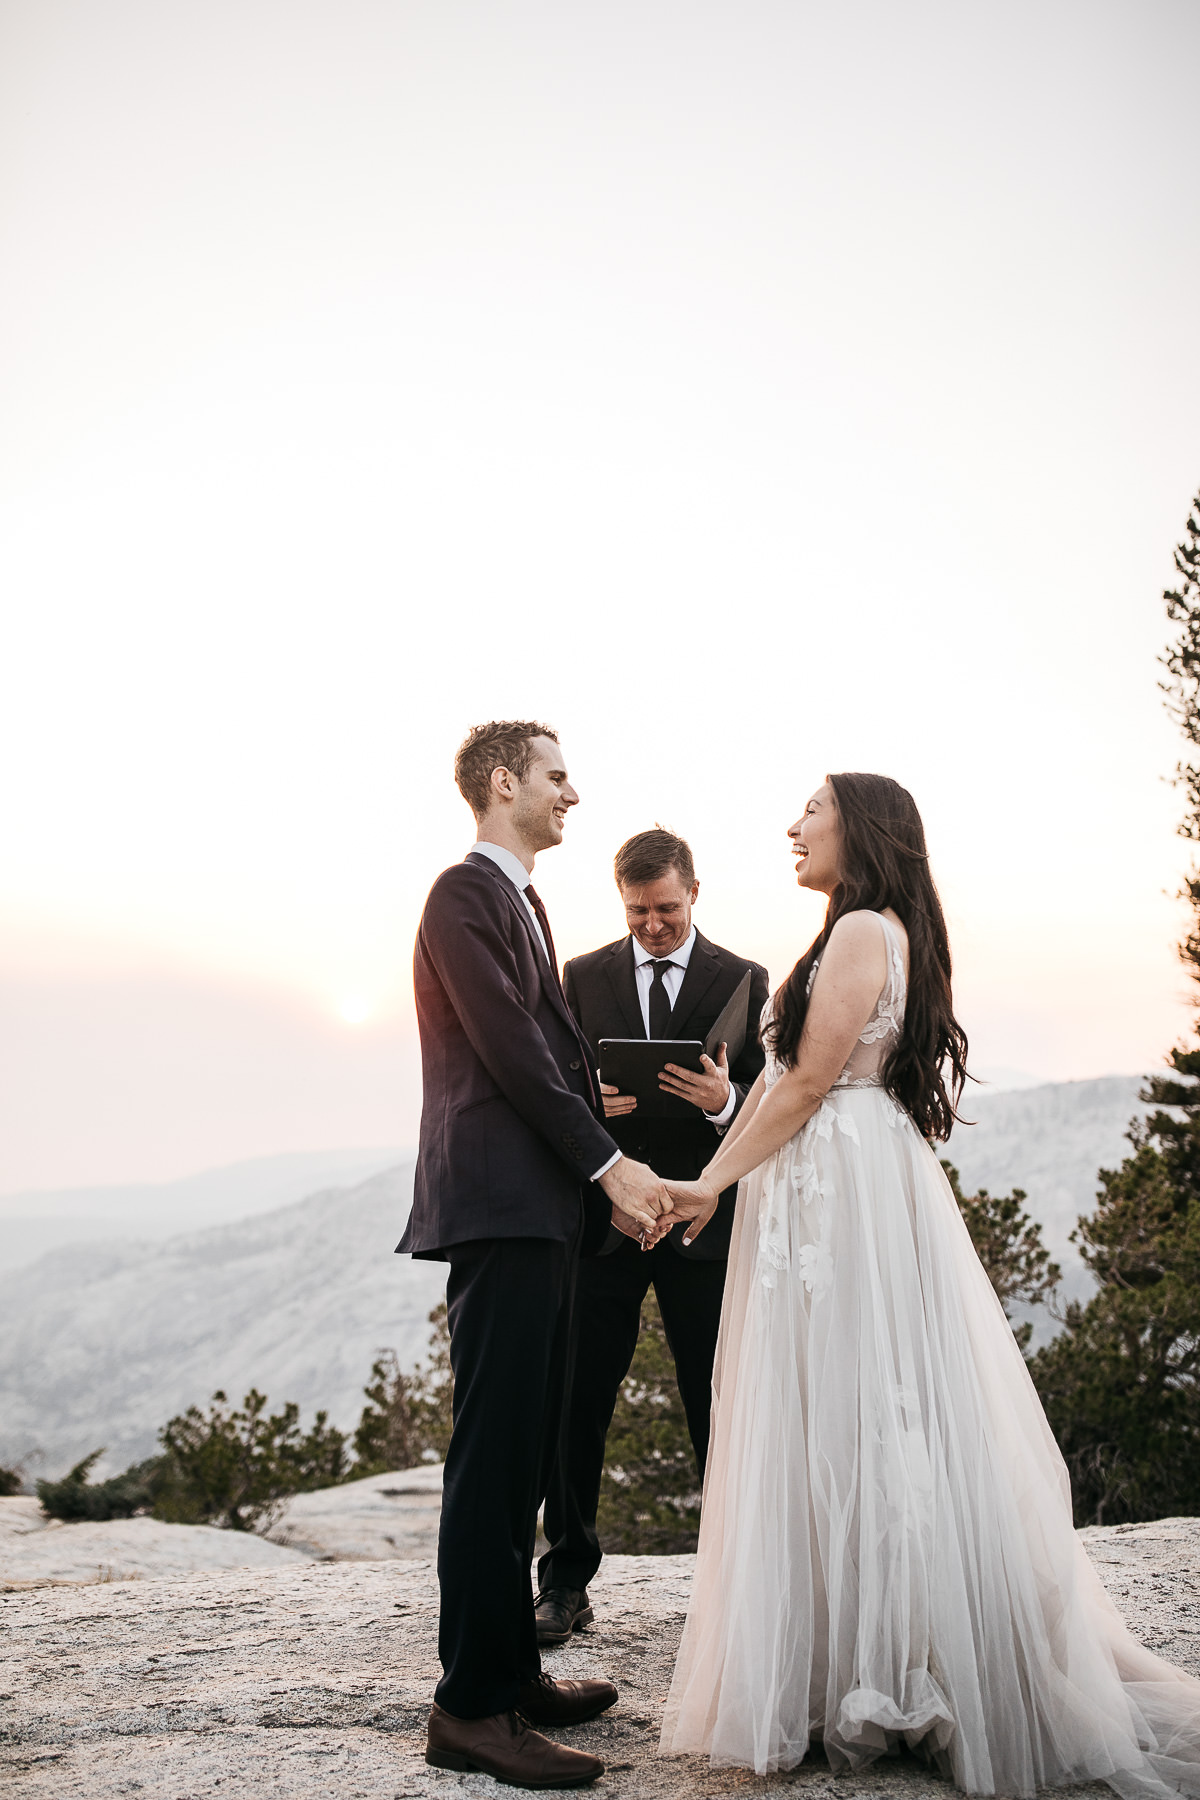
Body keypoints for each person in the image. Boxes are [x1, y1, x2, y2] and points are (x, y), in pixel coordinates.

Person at [653, 773, 1200, 1796]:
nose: (792, 825)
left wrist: (708, 1184)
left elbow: (814, 1081)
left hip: (843, 1187)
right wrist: (732, 1145)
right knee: (842, 1411)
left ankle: (897, 1661)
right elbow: (785, 1080)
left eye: (809, 810)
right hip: (830, 1182)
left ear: (857, 829)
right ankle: (850, 1654)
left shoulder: (864, 931)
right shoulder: (853, 930)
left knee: (864, 1413)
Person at [397, 720, 669, 1791]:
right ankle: (468, 1708)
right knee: (492, 1460)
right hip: (505, 1208)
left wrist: (583, 1117)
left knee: (527, 1457)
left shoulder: (523, 899)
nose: (572, 792)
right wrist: (609, 1162)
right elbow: (505, 1045)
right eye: (557, 775)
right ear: (503, 782)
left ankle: (513, 1675)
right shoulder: (463, 895)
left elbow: (534, 1049)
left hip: (541, 1207)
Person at [536, 827, 769, 1644]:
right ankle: (564, 1582)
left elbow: (765, 1103)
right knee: (577, 1403)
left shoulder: (745, 978)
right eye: (638, 911)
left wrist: (719, 1100)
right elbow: (559, 1086)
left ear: (694, 892)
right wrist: (594, 1109)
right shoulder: (581, 975)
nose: (653, 925)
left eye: (666, 908)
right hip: (608, 1223)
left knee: (717, 1402)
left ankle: (737, 1583)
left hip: (702, 1224)